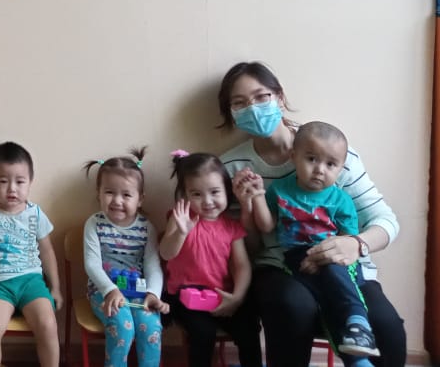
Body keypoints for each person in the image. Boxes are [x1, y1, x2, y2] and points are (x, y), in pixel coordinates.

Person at [218, 61, 405, 367]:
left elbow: (386, 221)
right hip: (280, 266)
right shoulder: (232, 167)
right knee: (292, 307)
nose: (252, 109)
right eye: (239, 103)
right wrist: (249, 205)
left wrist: (355, 244)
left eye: (261, 97)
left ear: (279, 97)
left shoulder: (334, 151)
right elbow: (249, 245)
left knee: (387, 329)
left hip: (344, 263)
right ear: (231, 113)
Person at [240, 122, 379, 362]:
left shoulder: (340, 199)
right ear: (293, 156)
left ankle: (359, 325)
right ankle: (358, 358)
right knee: (323, 300)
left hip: (334, 255)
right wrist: (259, 196)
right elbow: (267, 226)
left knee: (335, 282)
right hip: (297, 258)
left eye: (330, 164)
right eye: (312, 159)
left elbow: (348, 240)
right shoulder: (281, 190)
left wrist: (323, 259)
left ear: (341, 168)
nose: (319, 170)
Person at [0, 142, 61, 367]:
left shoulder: (35, 214)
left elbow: (47, 251)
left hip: (31, 282)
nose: (12, 189)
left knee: (47, 325)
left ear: (30, 181)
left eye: (20, 181)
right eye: (3, 181)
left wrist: (55, 287)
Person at [159, 152, 261, 367]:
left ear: (227, 191)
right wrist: (181, 233)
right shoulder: (180, 219)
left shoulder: (231, 226)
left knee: (249, 328)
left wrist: (237, 297)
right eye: (196, 194)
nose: (207, 201)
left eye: (214, 192)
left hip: (223, 295)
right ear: (185, 196)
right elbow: (166, 253)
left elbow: (242, 266)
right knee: (203, 333)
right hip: (186, 297)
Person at [81, 149, 167, 367]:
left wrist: (153, 294)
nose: (117, 201)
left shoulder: (147, 228)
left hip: (139, 292)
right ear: (99, 194)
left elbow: (153, 266)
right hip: (103, 291)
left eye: (127, 195)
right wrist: (110, 290)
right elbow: (92, 264)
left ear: (140, 199)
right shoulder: (94, 224)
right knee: (122, 327)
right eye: (110, 192)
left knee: (151, 327)